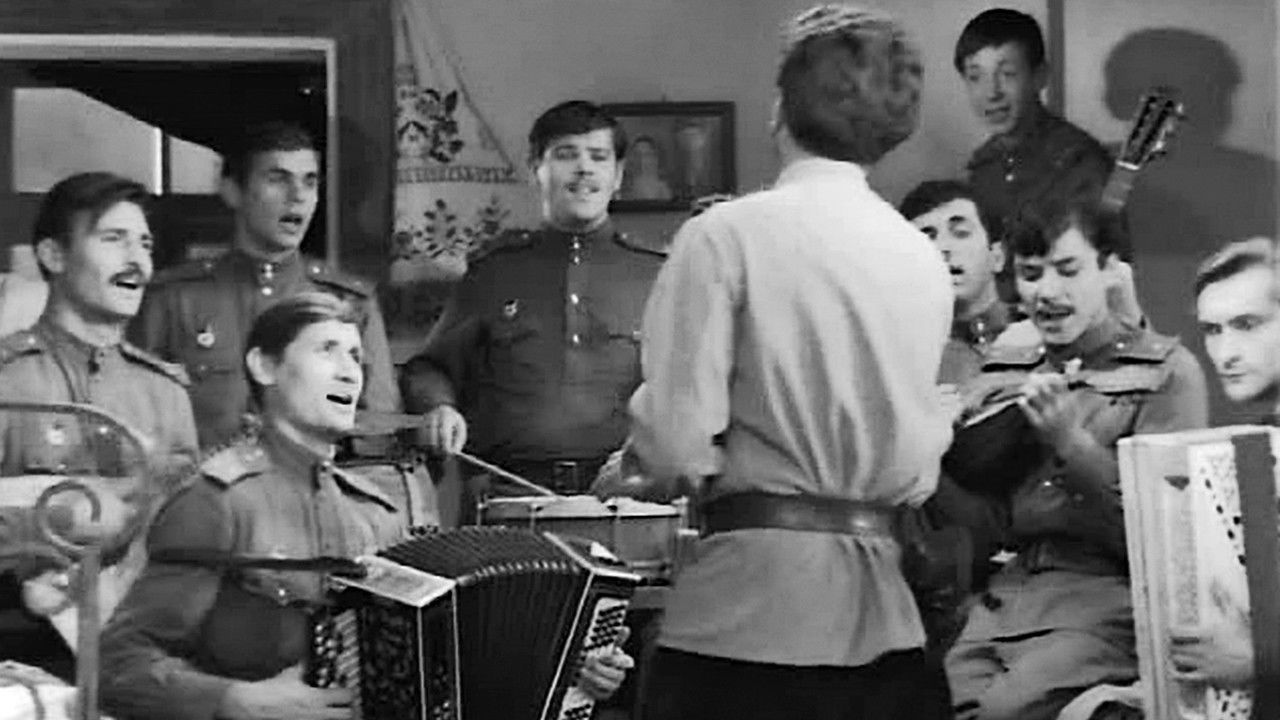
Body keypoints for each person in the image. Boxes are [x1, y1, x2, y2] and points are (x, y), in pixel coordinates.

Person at [630, 6, 955, 719]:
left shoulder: (723, 236)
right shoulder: (922, 257)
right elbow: (918, 459)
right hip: (888, 627)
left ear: (780, 108)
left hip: (744, 621)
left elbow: (677, 444)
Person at [100, 292, 631, 720]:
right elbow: (117, 666)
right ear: (264, 365)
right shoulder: (218, 502)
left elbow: (446, 659)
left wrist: (571, 668)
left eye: (356, 357)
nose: (350, 372)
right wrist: (236, 702)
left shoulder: (380, 509)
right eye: (326, 350)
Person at [943, 194, 1208, 720]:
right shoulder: (1004, 370)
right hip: (1003, 597)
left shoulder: (1165, 373)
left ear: (1110, 269)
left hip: (1104, 602)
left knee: (1007, 711)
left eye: (1068, 270)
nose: (1047, 292)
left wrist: (1073, 443)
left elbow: (1170, 538)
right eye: (1031, 274)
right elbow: (975, 511)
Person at [401, 100, 666, 497]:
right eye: (566, 155)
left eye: (598, 157)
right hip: (509, 495)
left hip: (628, 497)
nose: (584, 168)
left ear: (618, 176)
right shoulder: (493, 272)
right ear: (535, 170)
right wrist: (439, 408)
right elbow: (427, 369)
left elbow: (690, 389)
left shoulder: (658, 274)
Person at [0, 172, 199, 681]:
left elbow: (185, 545)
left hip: (144, 663)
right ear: (53, 255)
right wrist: (55, 519)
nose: (138, 260)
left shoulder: (167, 392)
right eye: (114, 239)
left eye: (145, 244)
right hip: (21, 658)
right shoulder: (8, 380)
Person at [129, 120, 400, 450]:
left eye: (309, 182)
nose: (297, 196)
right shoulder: (172, 299)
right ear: (233, 191)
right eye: (278, 179)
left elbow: (378, 429)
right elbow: (135, 419)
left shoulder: (348, 301)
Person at [956, 8, 1116, 300]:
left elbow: (1104, 263)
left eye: (1007, 74)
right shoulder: (981, 167)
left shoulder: (1079, 160)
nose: (991, 92)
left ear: (1040, 76)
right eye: (975, 77)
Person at [624, 136, 673, 201]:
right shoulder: (623, 185)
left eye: (647, 154)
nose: (641, 159)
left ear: (654, 158)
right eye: (637, 154)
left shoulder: (662, 189)